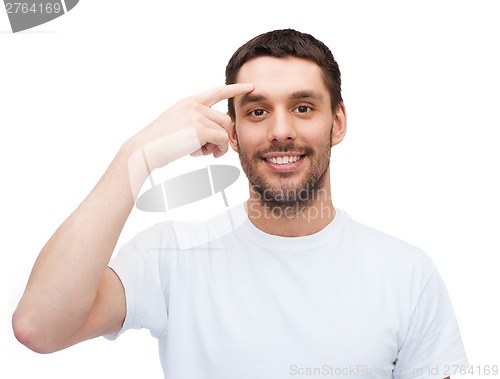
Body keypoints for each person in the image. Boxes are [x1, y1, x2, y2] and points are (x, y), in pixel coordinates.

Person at [13, 29, 467, 378]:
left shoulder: (407, 273)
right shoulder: (173, 256)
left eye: (304, 107)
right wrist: (137, 155)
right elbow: (39, 327)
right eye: (256, 111)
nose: (280, 131)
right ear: (231, 132)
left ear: (338, 122)